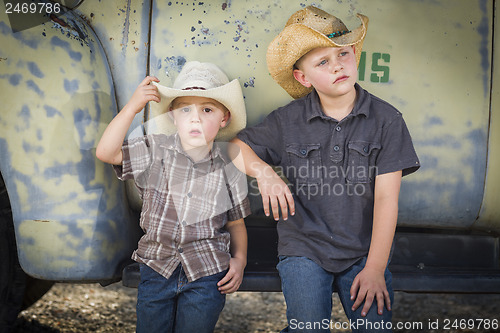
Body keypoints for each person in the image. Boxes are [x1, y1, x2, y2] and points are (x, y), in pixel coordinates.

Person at [231, 6, 420, 333]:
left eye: (343, 54)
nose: (338, 66)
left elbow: (387, 200)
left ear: (355, 56)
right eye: (323, 62)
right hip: (304, 248)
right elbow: (236, 147)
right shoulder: (288, 120)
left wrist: (375, 268)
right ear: (303, 77)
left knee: (375, 328)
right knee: (309, 328)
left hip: (363, 251)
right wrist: (264, 173)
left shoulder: (387, 120)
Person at [96, 61, 251, 333]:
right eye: (185, 109)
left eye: (207, 109)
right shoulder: (154, 150)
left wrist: (240, 261)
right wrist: (133, 107)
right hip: (157, 266)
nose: (195, 118)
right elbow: (106, 153)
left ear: (224, 118)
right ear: (172, 116)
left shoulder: (229, 166)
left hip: (207, 271)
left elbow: (236, 223)